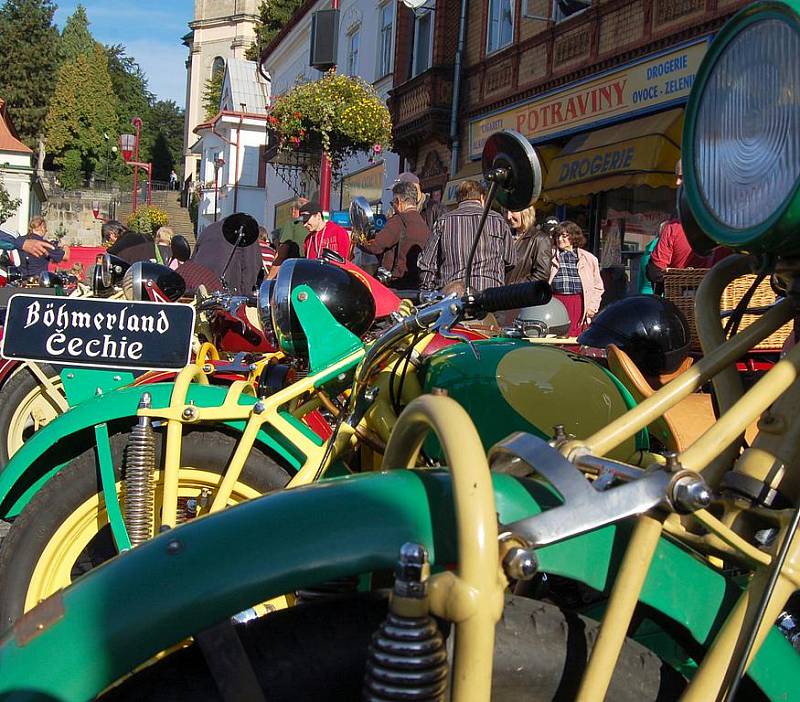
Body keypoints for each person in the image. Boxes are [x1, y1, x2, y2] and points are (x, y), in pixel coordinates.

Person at [418, 179, 515, 292]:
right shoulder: (497, 220)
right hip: (490, 294)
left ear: (458, 199)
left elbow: (426, 264)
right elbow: (510, 261)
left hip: (453, 295)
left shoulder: (444, 221)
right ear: (482, 198)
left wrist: (428, 291)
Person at [356, 181, 430, 290]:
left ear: (398, 201)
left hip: (396, 285)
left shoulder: (399, 220)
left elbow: (375, 246)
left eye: (392, 203)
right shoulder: (424, 224)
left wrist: (358, 240)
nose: (393, 207)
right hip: (416, 284)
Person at [549, 220, 604, 337]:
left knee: (575, 337)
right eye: (557, 236)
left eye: (564, 236)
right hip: (555, 302)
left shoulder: (589, 258)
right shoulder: (549, 255)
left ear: (574, 237)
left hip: (578, 304)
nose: (560, 239)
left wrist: (592, 308)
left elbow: (598, 287)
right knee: (555, 335)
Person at [191, 216, 262, 293]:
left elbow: (194, 259)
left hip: (198, 284)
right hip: (227, 290)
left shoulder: (208, 230)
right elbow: (250, 267)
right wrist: (246, 295)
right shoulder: (246, 234)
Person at [505, 205, 552, 284]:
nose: (508, 216)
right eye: (506, 212)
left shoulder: (540, 239)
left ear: (526, 212)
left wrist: (513, 288)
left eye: (513, 211)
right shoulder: (505, 235)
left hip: (520, 294)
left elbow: (542, 275)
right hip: (499, 293)